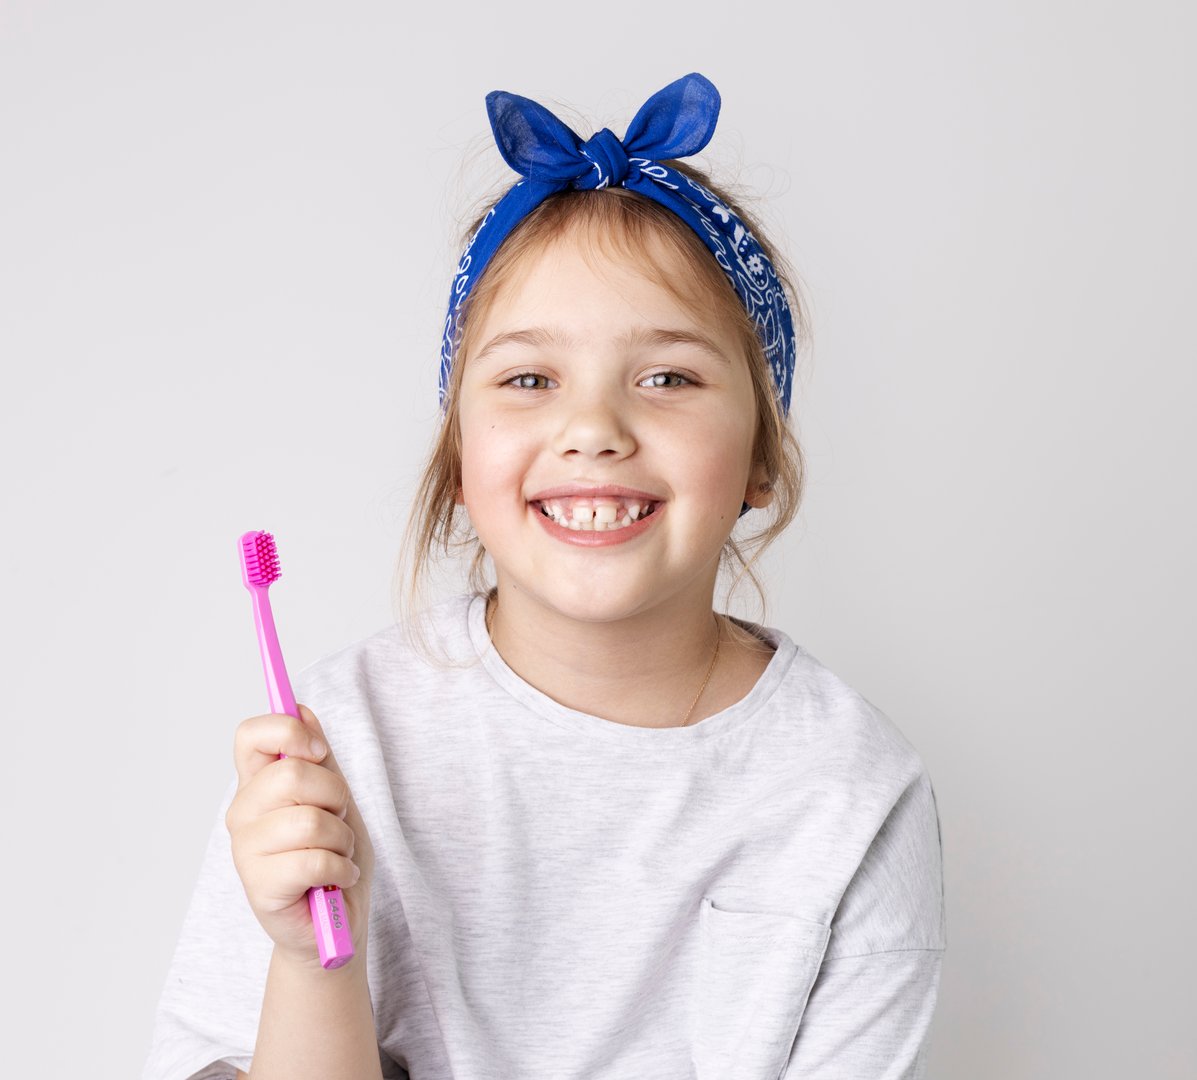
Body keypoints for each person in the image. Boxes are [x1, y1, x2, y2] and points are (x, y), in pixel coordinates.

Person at [142, 73, 946, 1080]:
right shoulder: (336, 748)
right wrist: (313, 967)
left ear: (760, 459)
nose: (593, 431)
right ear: (460, 458)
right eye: (529, 379)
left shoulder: (852, 794)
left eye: (669, 377)